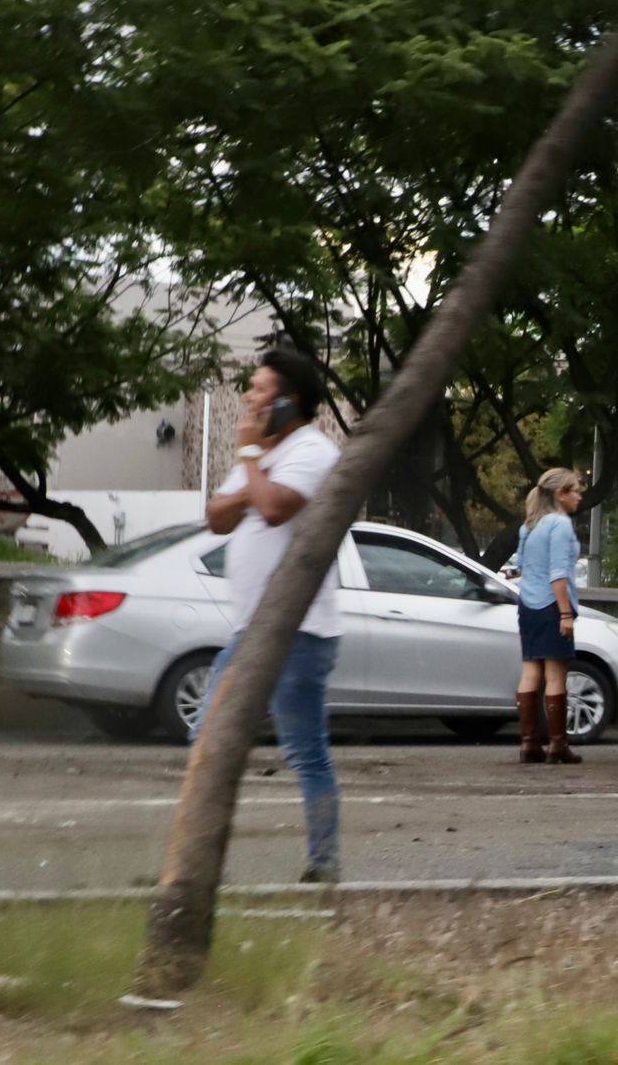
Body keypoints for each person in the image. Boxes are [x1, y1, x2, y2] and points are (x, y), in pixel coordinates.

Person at [195, 346, 344, 883]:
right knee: (213, 742)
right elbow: (216, 517)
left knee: (299, 750)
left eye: (259, 388)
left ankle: (321, 863)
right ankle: (198, 868)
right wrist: (253, 471)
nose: (249, 398)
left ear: (288, 400)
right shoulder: (264, 452)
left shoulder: (310, 451)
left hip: (297, 629)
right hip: (256, 625)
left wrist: (251, 462)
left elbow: (277, 507)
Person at [515, 467, 586, 766]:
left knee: (530, 672)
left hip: (527, 605)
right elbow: (558, 573)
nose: (579, 497)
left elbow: (521, 567)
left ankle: (529, 742)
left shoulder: (529, 526)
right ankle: (558, 744)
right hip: (552, 605)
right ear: (560, 494)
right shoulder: (559, 524)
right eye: (575, 491)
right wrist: (565, 613)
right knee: (556, 675)